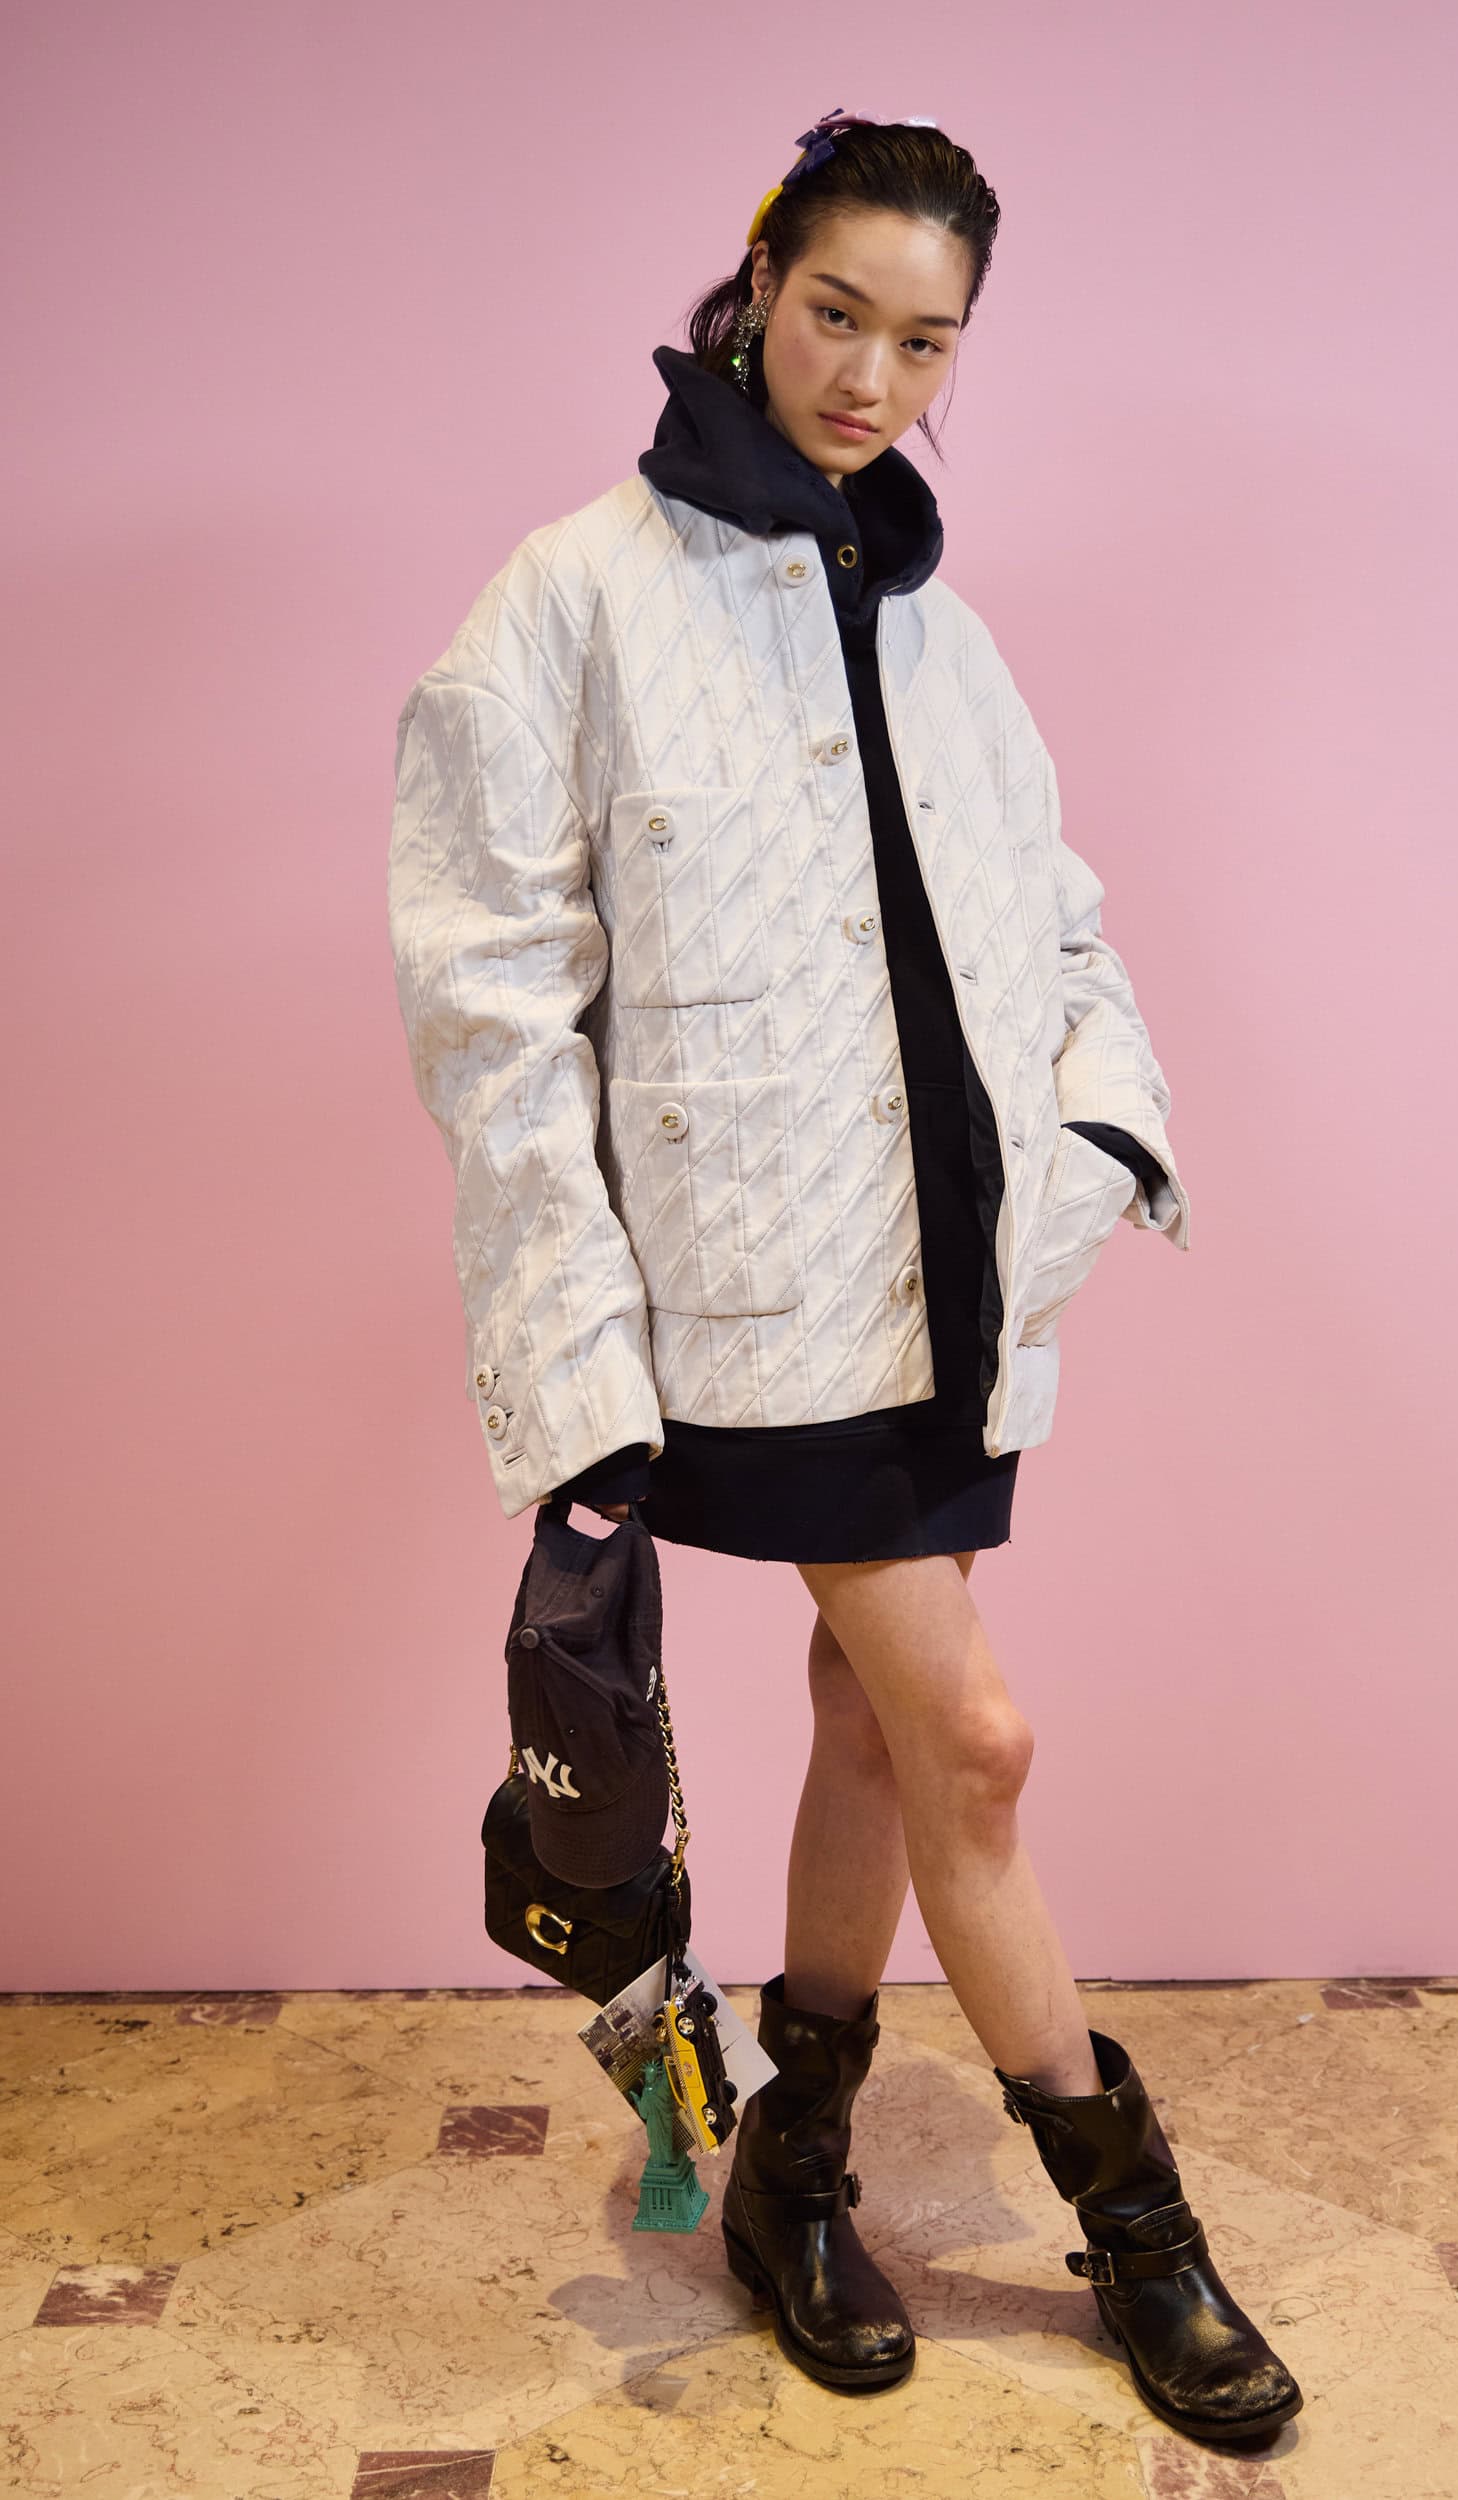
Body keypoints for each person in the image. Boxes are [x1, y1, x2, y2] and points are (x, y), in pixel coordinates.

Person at [388, 107, 1300, 2449]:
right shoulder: (574, 598)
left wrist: (1099, 1146)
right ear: (755, 280)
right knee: (975, 1738)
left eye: (926, 342)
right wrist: (573, 1361)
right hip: (753, 1309)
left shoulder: (938, 623)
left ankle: (793, 2163)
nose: (870, 377)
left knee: (876, 1725)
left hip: (949, 1308)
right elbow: (493, 1013)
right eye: (833, 313)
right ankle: (1136, 2222)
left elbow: (1060, 931)